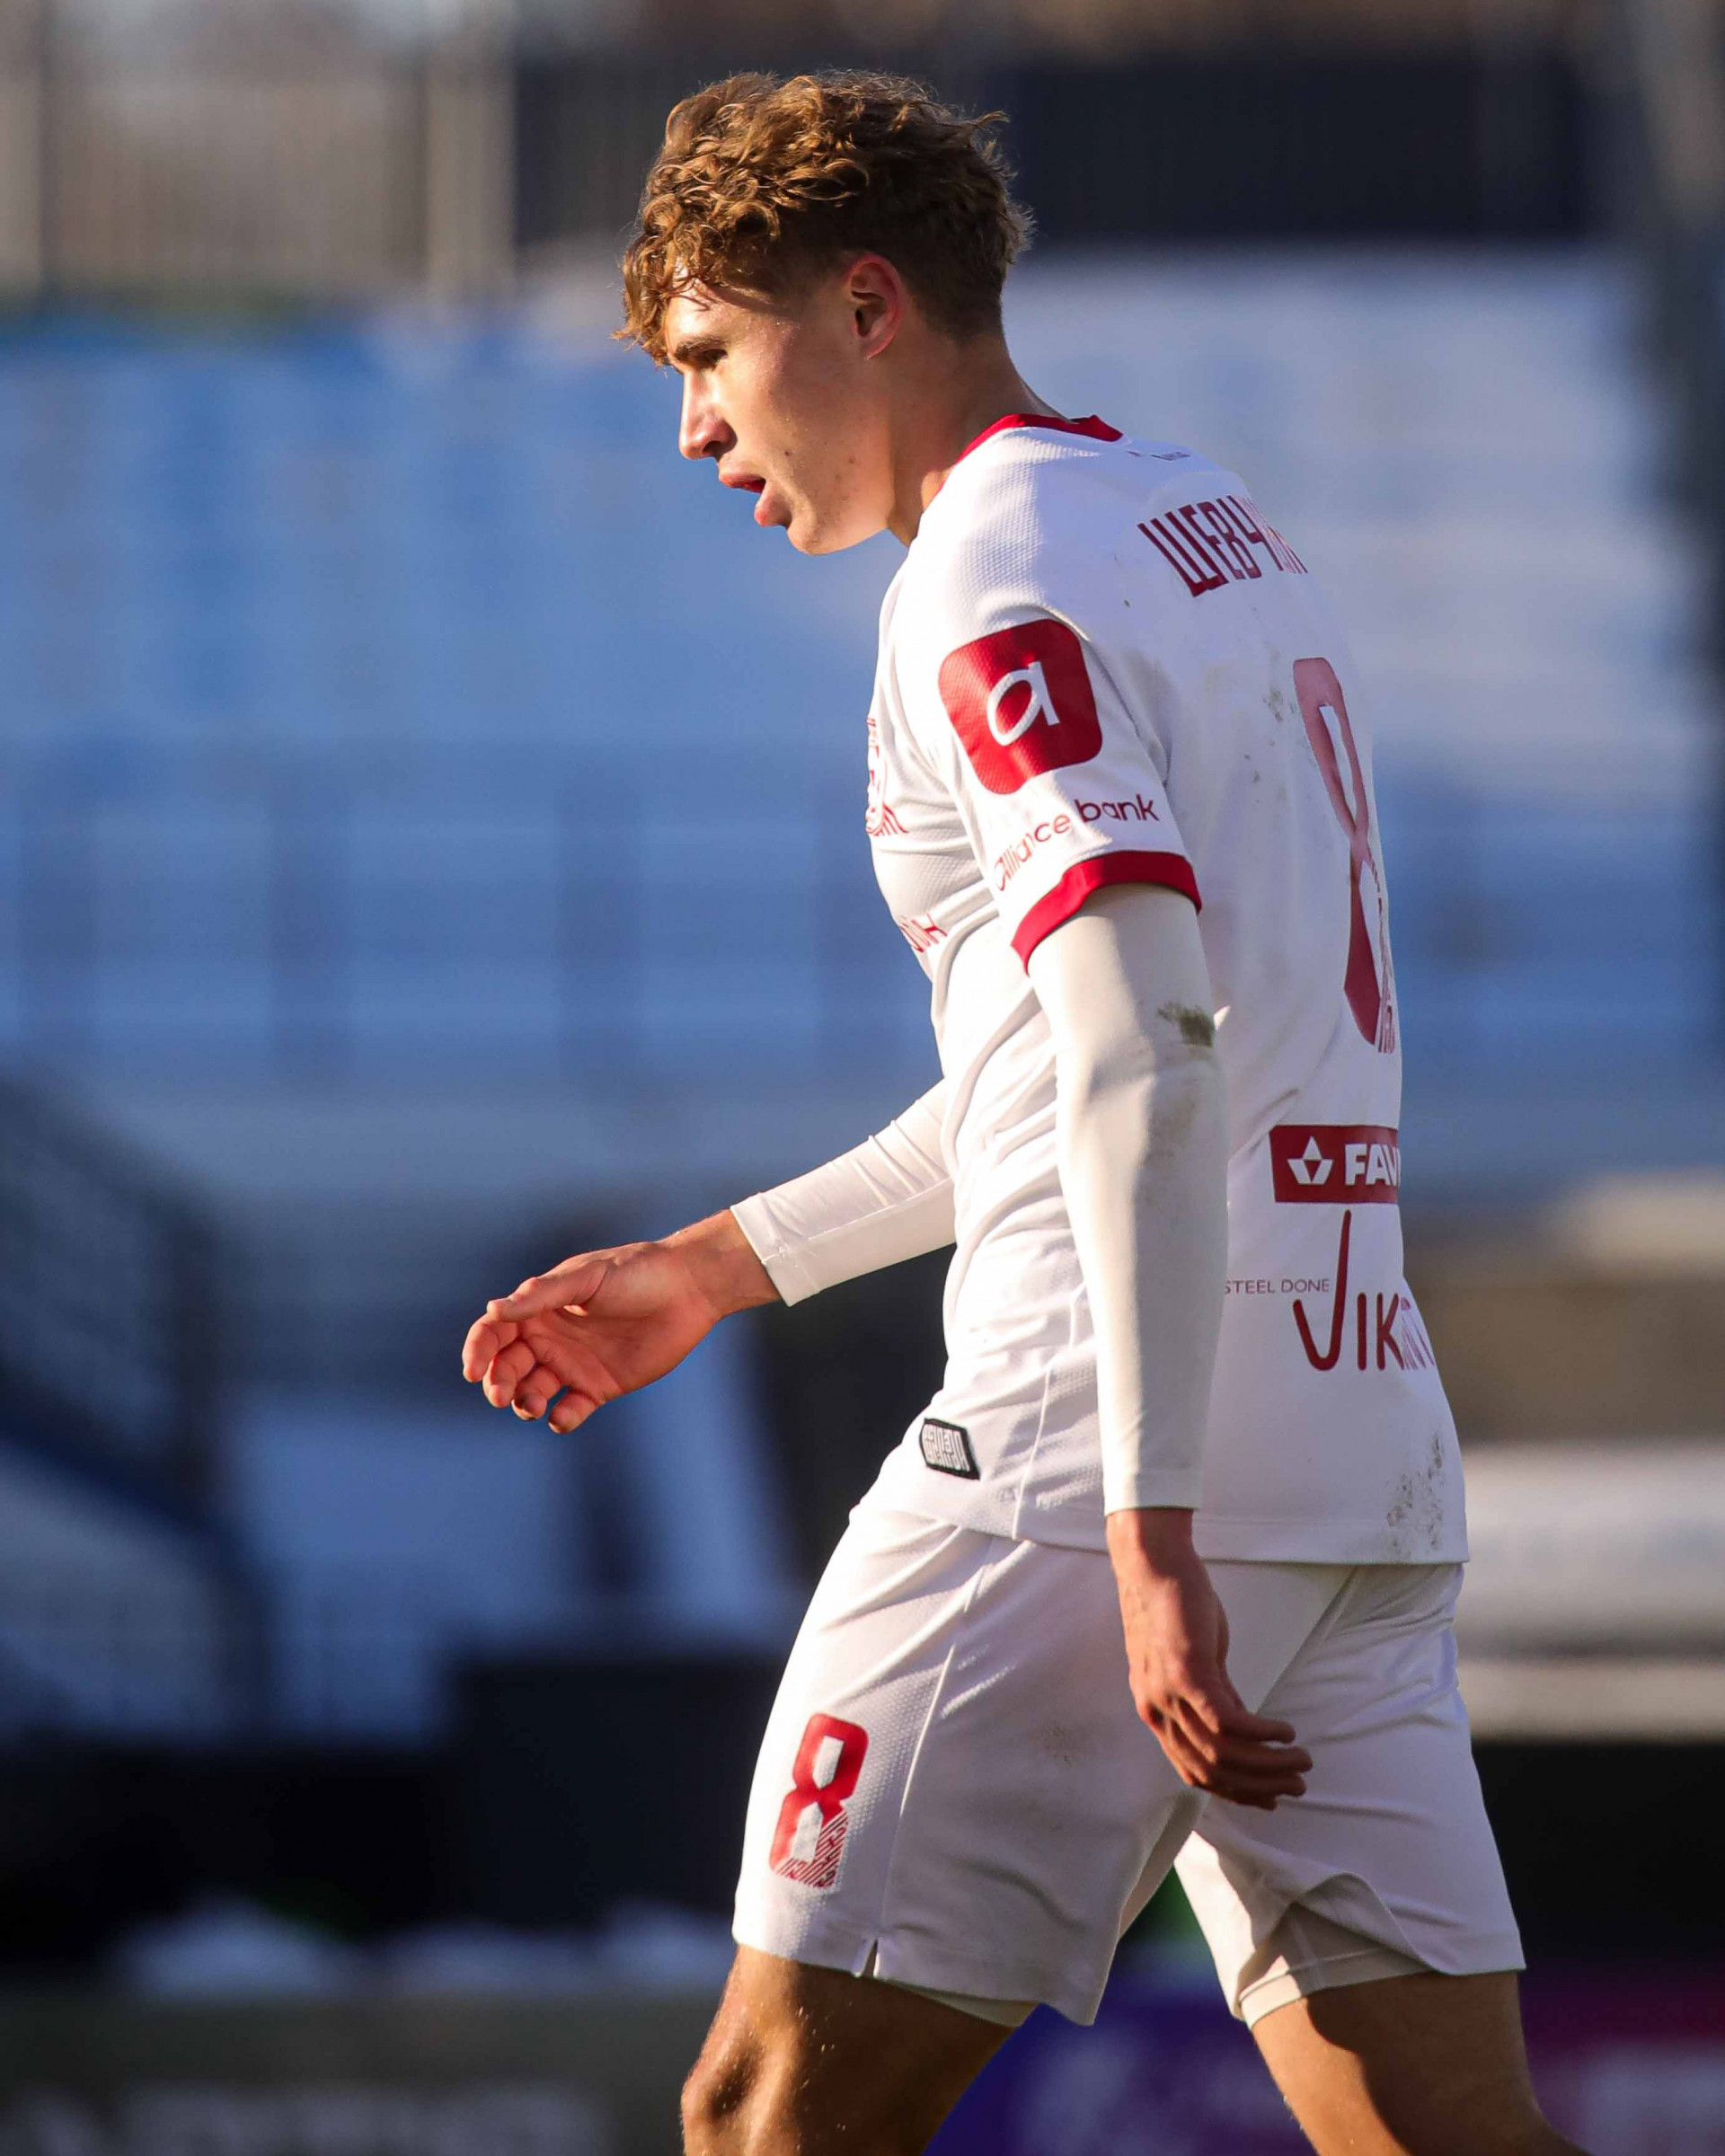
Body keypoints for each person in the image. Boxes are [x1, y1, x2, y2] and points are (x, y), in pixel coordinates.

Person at [462, 70, 1588, 2156]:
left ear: (864, 304)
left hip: (1089, 1480)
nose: (693, 427)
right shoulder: (1194, 515)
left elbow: (1139, 1047)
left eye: (708, 355)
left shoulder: (987, 583)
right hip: (1353, 1447)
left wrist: (1146, 1537)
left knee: (764, 2113)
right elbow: (1078, 1064)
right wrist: (723, 1264)